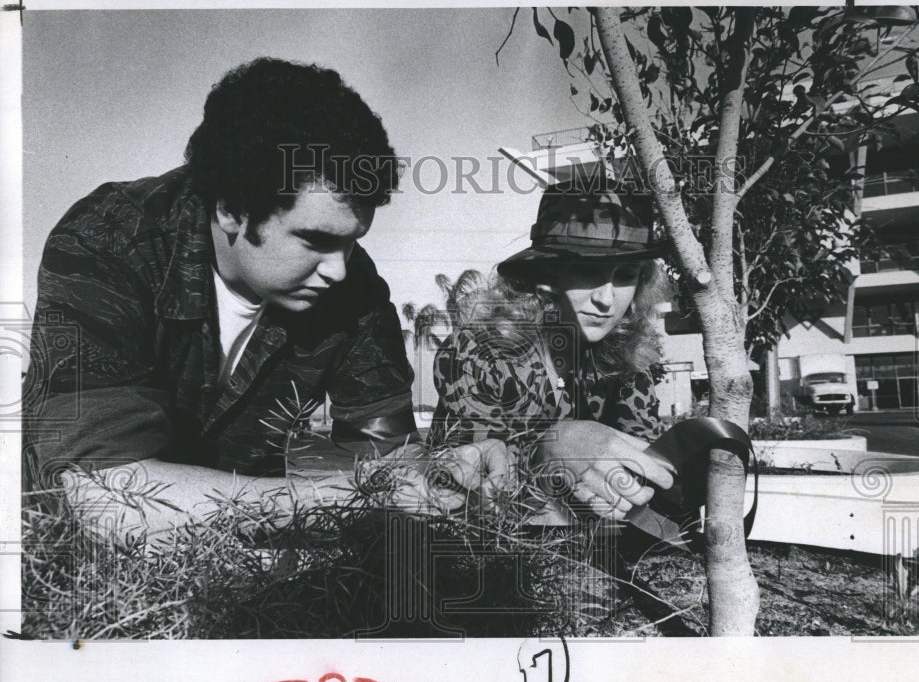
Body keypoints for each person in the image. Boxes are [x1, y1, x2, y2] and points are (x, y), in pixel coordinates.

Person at [23, 58, 507, 543]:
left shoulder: (353, 287)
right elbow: (109, 501)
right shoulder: (110, 241)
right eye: (315, 240)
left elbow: (390, 454)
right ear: (233, 208)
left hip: (244, 575)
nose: (339, 269)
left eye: (352, 242)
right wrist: (345, 497)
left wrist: (442, 475)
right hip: (57, 568)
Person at [431, 179, 676, 524]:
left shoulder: (628, 362)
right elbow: (478, 483)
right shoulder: (480, 352)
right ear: (546, 273)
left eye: (625, 275)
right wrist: (549, 449)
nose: (606, 299)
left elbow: (644, 472)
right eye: (589, 271)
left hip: (597, 555)